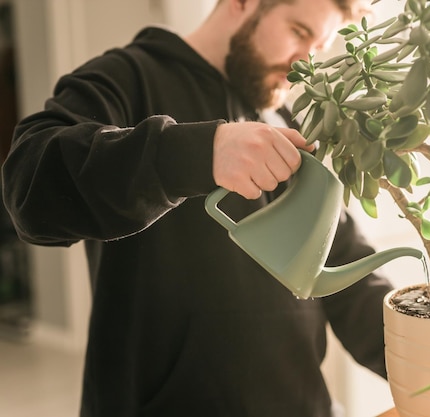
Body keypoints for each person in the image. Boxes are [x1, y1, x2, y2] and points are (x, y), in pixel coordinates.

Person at [1, 0, 395, 416]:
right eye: (299, 32)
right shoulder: (126, 77)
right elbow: (30, 189)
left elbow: (340, 257)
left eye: (319, 44)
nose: (307, 63)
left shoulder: (283, 119)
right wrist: (199, 154)